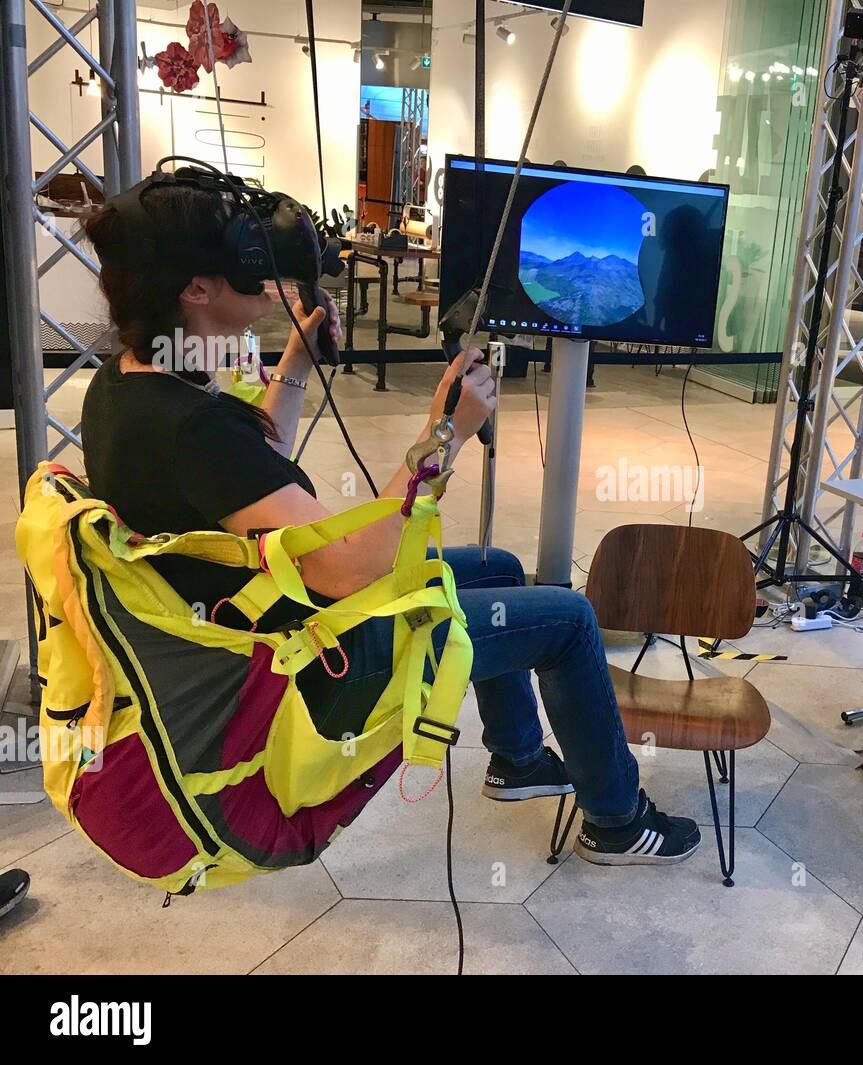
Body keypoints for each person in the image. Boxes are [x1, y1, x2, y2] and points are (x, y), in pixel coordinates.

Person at [80, 179, 700, 868]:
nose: (263, 265)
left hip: (265, 613)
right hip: (313, 662)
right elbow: (353, 569)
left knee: (496, 568)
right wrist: (443, 435)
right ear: (196, 289)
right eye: (243, 251)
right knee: (569, 619)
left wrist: (295, 363)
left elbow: (250, 470)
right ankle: (617, 821)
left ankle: (519, 759)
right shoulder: (187, 427)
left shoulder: (127, 384)